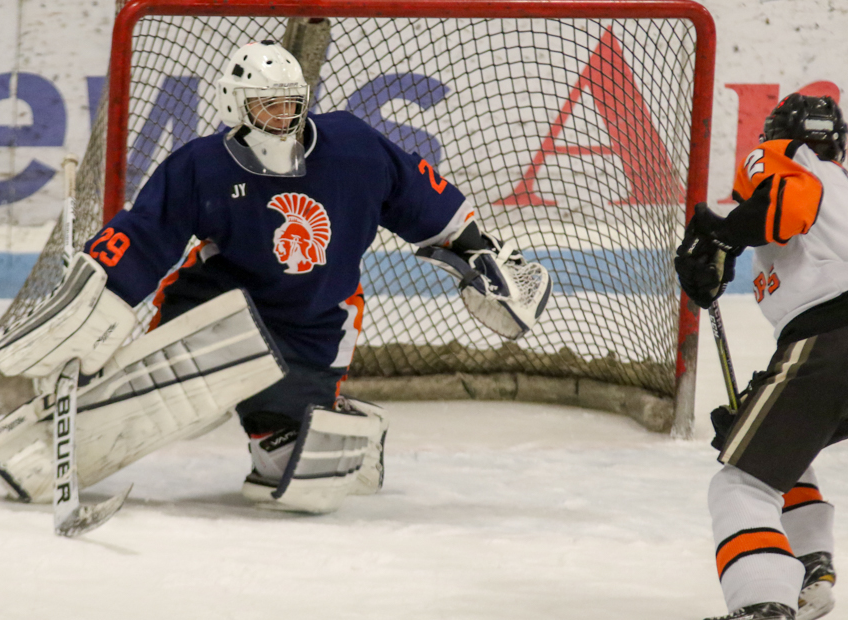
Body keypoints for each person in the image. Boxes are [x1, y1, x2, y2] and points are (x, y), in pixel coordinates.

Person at [78, 40, 549, 512]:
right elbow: (145, 235)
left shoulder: (354, 148)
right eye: (268, 106)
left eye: (292, 105)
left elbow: (425, 202)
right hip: (221, 301)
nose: (283, 117)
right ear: (234, 104)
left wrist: (479, 251)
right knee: (158, 396)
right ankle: (78, 419)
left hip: (315, 320)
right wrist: (95, 300)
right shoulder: (202, 165)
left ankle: (326, 417)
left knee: (292, 470)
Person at [672, 93, 848, 620]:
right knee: (778, 451)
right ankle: (811, 566)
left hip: (833, 343)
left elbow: (791, 200)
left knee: (739, 485)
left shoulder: (781, 155)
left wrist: (718, 237)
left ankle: (761, 609)